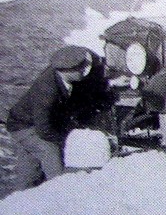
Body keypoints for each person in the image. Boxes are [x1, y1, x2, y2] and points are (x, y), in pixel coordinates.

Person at [6, 46, 106, 190]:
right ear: (65, 72)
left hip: (37, 121)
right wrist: (64, 141)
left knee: (30, 173)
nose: (86, 71)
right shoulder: (46, 91)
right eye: (81, 69)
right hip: (24, 126)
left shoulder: (65, 73)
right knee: (50, 152)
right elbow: (43, 129)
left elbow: (90, 57)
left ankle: (24, 197)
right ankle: (59, 192)